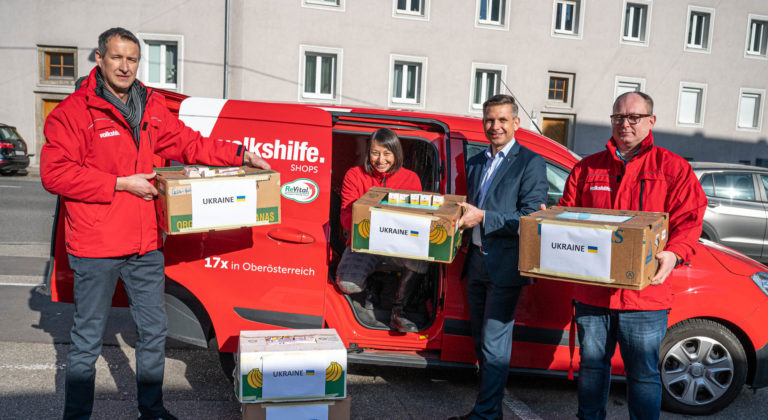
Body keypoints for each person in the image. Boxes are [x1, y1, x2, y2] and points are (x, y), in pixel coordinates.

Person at [40, 27, 269, 420]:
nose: (125, 66)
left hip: (145, 243)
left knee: (153, 333)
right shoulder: (74, 113)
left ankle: (152, 409)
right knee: (87, 340)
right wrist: (119, 183)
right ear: (99, 59)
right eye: (116, 57)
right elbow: (55, 174)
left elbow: (187, 142)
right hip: (95, 246)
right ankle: (76, 416)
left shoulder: (150, 105)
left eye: (132, 59)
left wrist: (239, 154)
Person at [557, 91, 707, 420]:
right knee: (593, 370)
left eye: (633, 117)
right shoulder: (587, 168)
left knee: (642, 374)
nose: (625, 123)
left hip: (645, 296)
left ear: (651, 121)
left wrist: (674, 254)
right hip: (593, 293)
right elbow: (567, 215)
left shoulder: (673, 169)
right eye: (618, 117)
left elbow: (690, 222)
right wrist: (549, 223)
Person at [450, 94, 548, 420]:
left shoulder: (530, 162)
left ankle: (485, 416)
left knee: (494, 346)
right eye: (490, 120)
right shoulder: (477, 161)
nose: (495, 126)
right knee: (481, 344)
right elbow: (467, 207)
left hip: (505, 268)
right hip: (476, 262)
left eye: (502, 120)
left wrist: (483, 218)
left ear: (516, 123)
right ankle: (489, 411)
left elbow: (531, 217)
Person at [336, 128, 429, 332]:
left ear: (396, 153)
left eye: (387, 153)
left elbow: (417, 220)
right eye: (375, 152)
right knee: (347, 283)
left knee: (421, 260)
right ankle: (368, 293)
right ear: (369, 153)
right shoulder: (355, 175)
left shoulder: (411, 179)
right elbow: (345, 217)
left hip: (399, 244)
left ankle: (399, 312)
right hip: (363, 243)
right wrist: (374, 223)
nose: (380, 159)